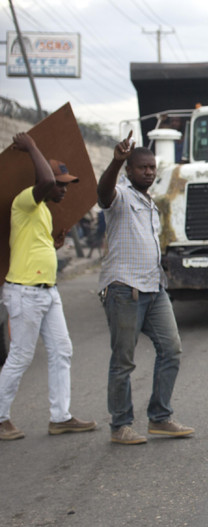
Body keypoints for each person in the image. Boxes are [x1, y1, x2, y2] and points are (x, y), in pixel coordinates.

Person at [97, 132, 193, 445]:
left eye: (152, 167)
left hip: (154, 289)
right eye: (142, 168)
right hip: (125, 290)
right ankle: (120, 426)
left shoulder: (149, 202)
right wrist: (115, 161)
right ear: (129, 170)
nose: (149, 172)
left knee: (171, 349)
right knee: (123, 360)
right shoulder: (121, 195)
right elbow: (103, 194)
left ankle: (160, 417)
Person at [0, 133, 97, 441]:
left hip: (47, 291)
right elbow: (41, 182)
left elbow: (31, 244)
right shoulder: (27, 201)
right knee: (20, 357)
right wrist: (31, 146)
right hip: (25, 291)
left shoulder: (42, 211)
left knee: (62, 350)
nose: (64, 189)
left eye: (67, 183)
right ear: (44, 183)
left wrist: (51, 245)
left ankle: (61, 417)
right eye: (60, 184)